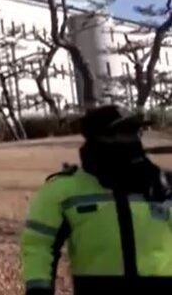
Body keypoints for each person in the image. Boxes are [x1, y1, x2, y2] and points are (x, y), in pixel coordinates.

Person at [21, 104, 172, 294]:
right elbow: (38, 245)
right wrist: (39, 289)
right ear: (98, 138)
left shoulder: (164, 185)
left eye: (135, 131)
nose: (132, 139)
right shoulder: (63, 191)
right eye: (122, 131)